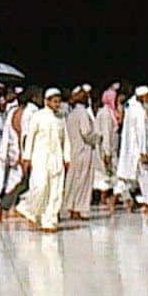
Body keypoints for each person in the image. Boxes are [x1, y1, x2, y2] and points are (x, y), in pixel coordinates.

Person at [16, 88, 69, 232]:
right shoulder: (37, 116)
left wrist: (67, 157)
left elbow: (66, 140)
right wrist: (26, 158)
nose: (57, 104)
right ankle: (29, 210)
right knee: (40, 187)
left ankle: (50, 221)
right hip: (40, 158)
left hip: (56, 159)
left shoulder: (61, 118)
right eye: (54, 101)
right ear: (47, 102)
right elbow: (30, 138)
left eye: (59, 101)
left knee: (55, 191)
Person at [62, 87, 99, 221]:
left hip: (74, 150)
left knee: (74, 180)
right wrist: (97, 138)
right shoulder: (82, 112)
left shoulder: (71, 113)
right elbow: (86, 132)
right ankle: (78, 208)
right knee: (82, 180)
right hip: (84, 150)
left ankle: (72, 207)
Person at [94, 85, 122, 209]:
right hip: (106, 149)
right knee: (106, 174)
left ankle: (107, 198)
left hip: (111, 148)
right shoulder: (105, 113)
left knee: (109, 174)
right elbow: (105, 133)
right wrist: (107, 153)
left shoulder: (111, 112)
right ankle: (105, 199)